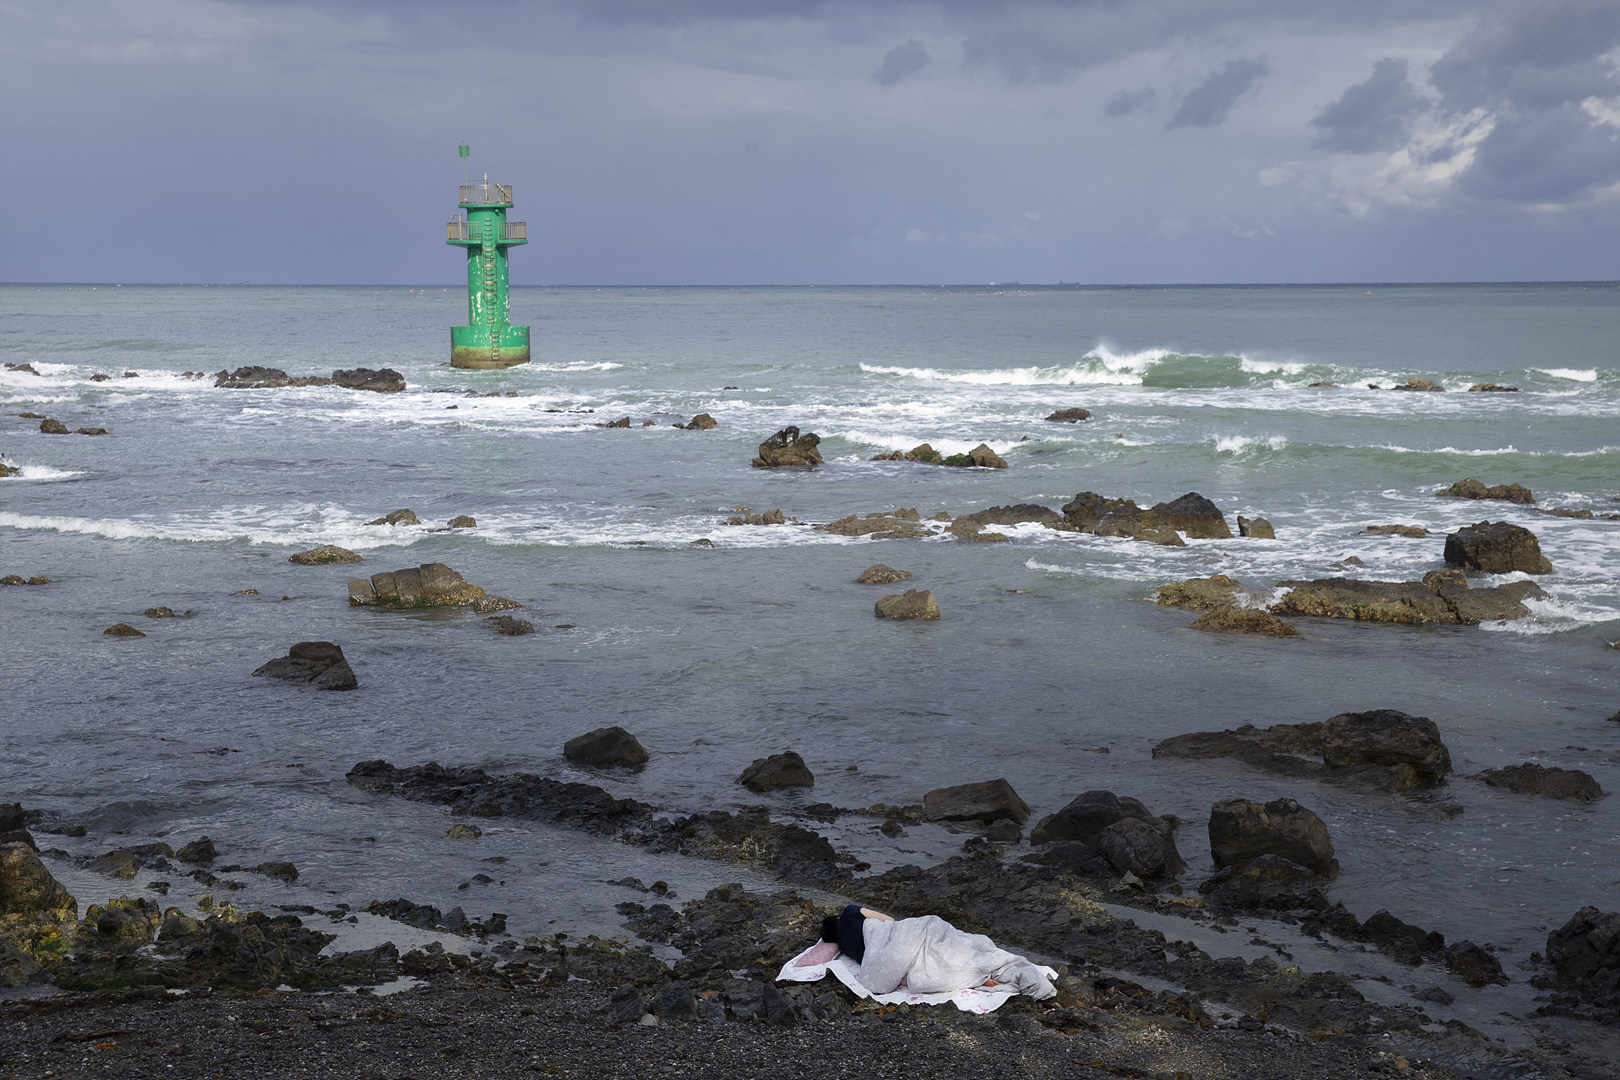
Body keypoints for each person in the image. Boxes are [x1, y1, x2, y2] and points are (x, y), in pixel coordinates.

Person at [816, 903, 1055, 999]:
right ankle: (992, 970)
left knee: (928, 968)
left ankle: (980, 977)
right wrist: (903, 931)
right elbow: (888, 920)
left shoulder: (845, 948)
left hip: (885, 950)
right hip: (903, 933)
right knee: (956, 943)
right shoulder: (849, 912)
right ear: (838, 918)